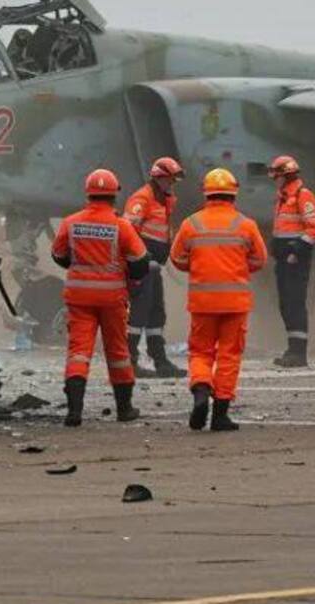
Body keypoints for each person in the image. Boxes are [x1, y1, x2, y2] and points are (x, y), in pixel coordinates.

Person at [168, 168, 268, 432]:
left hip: (202, 302)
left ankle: (201, 389)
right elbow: (260, 259)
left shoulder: (191, 224)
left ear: (207, 194)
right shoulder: (245, 224)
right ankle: (220, 414)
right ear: (233, 194)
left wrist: (199, 267)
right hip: (235, 304)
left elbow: (177, 258)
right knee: (229, 355)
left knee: (200, 351)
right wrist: (239, 268)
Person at [50, 168, 151, 427]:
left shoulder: (71, 223)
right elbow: (141, 263)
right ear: (115, 196)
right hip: (112, 299)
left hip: (79, 298)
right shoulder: (122, 227)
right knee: (118, 352)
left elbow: (59, 255)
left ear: (88, 194)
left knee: (78, 353)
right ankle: (124, 409)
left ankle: (74, 411)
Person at [124, 157, 186, 378]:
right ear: (159, 178)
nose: (173, 184)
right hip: (142, 266)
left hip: (154, 267)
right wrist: (141, 258)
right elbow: (128, 231)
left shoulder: (164, 200)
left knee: (156, 312)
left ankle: (159, 359)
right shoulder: (142, 199)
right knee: (139, 313)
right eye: (170, 179)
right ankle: (129, 361)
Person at [267, 155, 315, 367]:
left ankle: (299, 353)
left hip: (295, 260)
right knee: (286, 304)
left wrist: (297, 250)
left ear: (286, 176)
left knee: (295, 303)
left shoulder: (303, 195)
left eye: (277, 175)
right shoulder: (283, 198)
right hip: (284, 259)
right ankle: (293, 348)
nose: (275, 180)